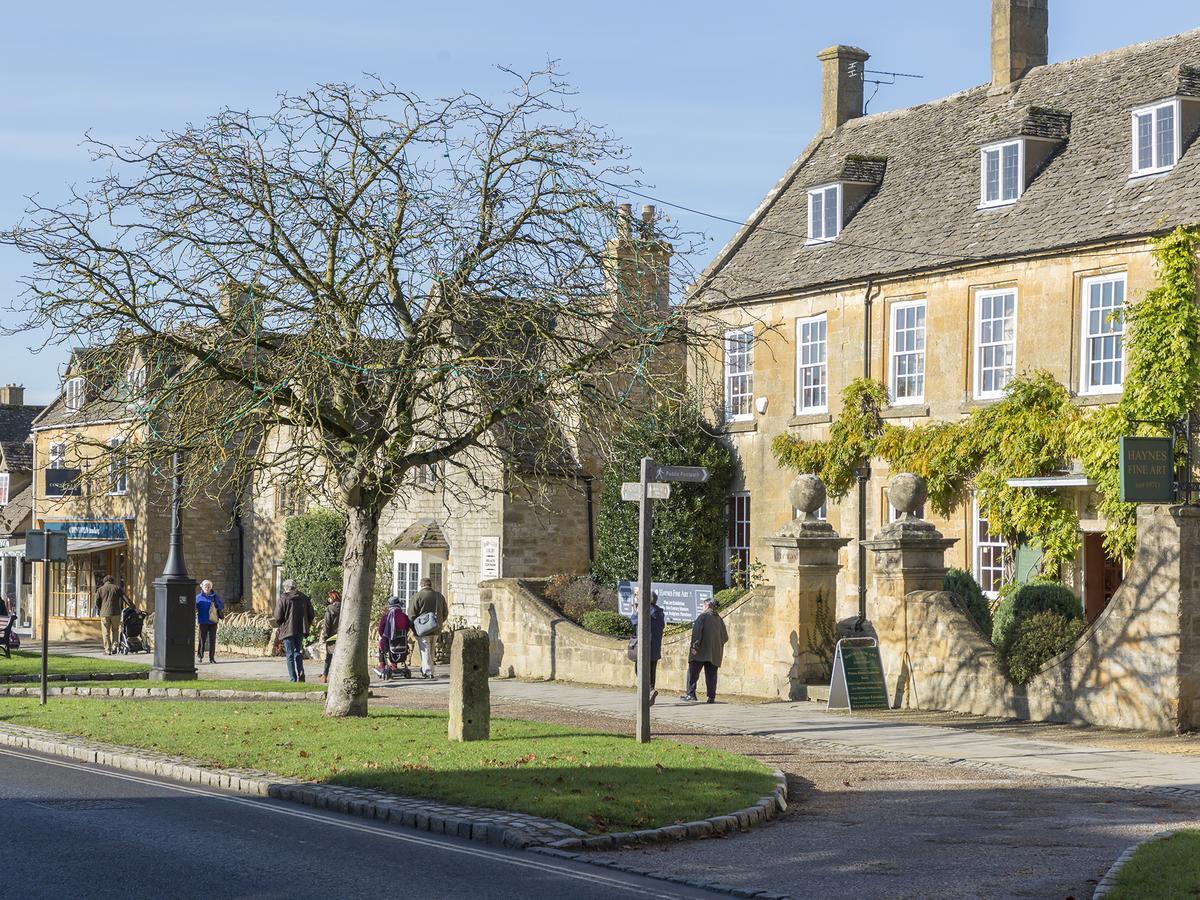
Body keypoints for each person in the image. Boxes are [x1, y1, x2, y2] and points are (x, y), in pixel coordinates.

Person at [681, 598, 729, 704]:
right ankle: (711, 697)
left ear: (707, 605)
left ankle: (691, 694)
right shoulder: (719, 620)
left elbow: (697, 633)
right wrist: (717, 646)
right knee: (711, 675)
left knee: (693, 673)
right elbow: (725, 637)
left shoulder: (702, 617)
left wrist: (694, 647)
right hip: (714, 654)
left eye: (704, 605)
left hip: (700, 652)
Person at [271, 578, 315, 682]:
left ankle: (293, 678)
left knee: (289, 654)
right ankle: (301, 673)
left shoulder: (283, 599)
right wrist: (306, 624)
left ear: (286, 588)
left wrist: (280, 624)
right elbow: (311, 614)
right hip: (300, 629)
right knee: (298, 652)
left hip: (287, 630)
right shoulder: (304, 598)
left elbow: (277, 616)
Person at [630, 590, 666, 705]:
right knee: (652, 670)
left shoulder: (645, 610)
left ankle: (648, 692)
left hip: (644, 646)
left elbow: (634, 622)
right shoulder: (659, 612)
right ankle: (651, 690)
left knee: (639, 670)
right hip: (655, 646)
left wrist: (636, 610)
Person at [408, 577, 448, 680]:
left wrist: (414, 628)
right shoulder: (439, 596)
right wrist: (438, 623)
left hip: (422, 629)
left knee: (425, 650)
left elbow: (411, 615)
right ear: (430, 585)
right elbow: (445, 613)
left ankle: (428, 672)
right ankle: (428, 669)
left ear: (421, 585)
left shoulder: (417, 596)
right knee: (431, 650)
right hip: (436, 628)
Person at [373, 595, 412, 679]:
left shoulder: (386, 617)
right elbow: (407, 629)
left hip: (389, 643)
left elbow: (381, 630)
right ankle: (394, 664)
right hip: (402, 642)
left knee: (382, 644)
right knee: (393, 645)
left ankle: (382, 665)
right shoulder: (404, 617)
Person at [95, 575, 128, 654]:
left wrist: (101, 609)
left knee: (106, 632)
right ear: (112, 581)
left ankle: (107, 650)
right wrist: (134, 608)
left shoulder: (100, 589)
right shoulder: (117, 588)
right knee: (115, 630)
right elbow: (126, 599)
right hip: (116, 613)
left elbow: (97, 602)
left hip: (104, 613)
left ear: (104, 581)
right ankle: (114, 647)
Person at [195, 580, 224, 663]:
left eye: (208, 586)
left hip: (213, 621)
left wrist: (216, 605)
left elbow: (221, 606)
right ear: (202, 587)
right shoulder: (198, 597)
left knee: (212, 640)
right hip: (203, 621)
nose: (207, 588)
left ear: (211, 587)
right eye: (205, 586)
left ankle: (212, 658)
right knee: (202, 640)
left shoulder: (215, 596)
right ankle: (200, 656)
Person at [319, 590, 341, 684]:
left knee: (329, 657)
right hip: (343, 635)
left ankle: (325, 675)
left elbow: (327, 624)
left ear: (332, 598)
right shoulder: (344, 607)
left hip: (332, 636)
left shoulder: (330, 608)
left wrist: (324, 636)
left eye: (329, 597)